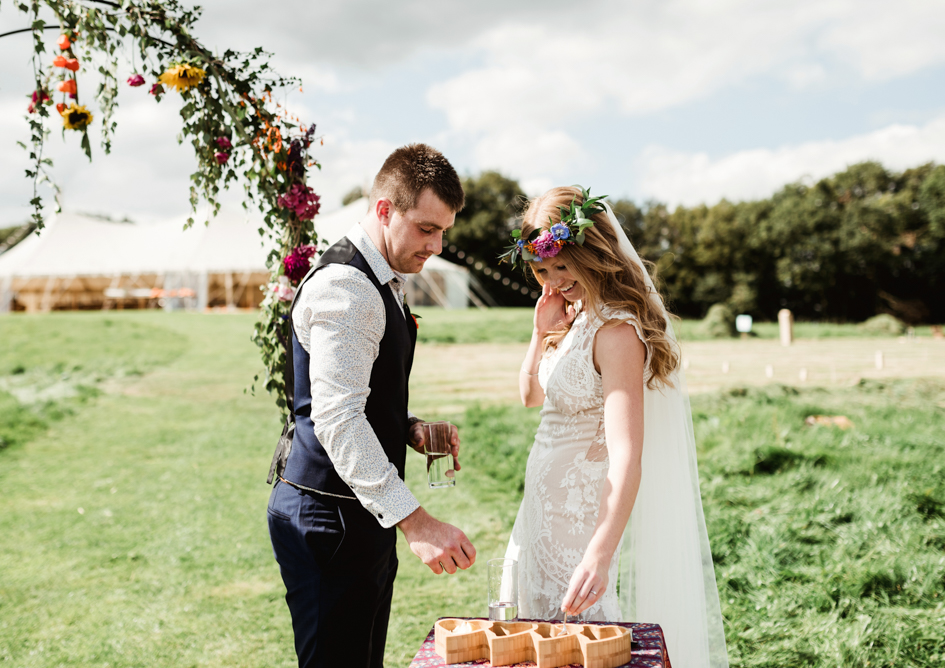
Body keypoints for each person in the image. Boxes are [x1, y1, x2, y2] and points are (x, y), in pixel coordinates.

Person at [267, 144, 477, 668]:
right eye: (426, 228)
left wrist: (407, 428)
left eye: (444, 231)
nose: (436, 244)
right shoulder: (350, 286)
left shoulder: (382, 275)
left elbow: (350, 394)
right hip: (329, 516)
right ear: (384, 209)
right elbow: (335, 418)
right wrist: (418, 523)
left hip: (357, 513)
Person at [502, 186, 728, 668]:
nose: (555, 281)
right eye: (543, 271)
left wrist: (599, 555)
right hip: (538, 513)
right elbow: (530, 397)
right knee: (539, 647)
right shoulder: (575, 317)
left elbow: (627, 455)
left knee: (581, 645)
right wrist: (540, 332)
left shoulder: (618, 332)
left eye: (563, 267)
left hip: (579, 524)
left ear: (594, 254)